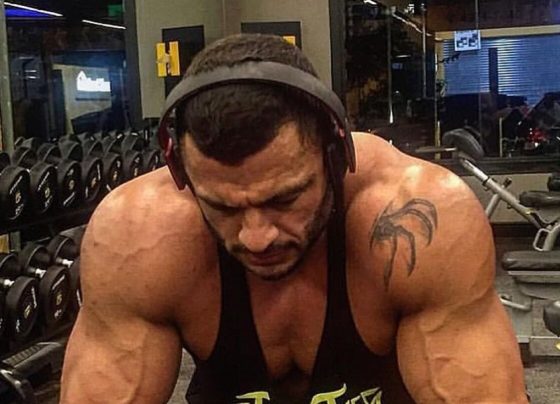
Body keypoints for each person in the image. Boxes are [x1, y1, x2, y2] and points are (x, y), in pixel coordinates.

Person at [60, 33, 528, 403]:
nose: (256, 237)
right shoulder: (138, 234)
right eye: (223, 207)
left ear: (335, 156)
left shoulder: (416, 219)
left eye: (284, 199)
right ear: (183, 174)